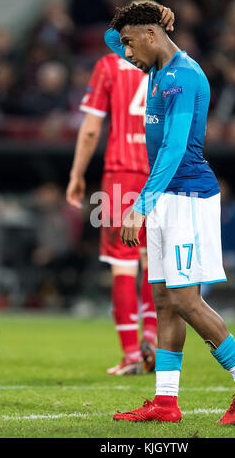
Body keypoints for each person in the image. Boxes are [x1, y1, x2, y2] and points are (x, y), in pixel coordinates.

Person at [104, 2, 235, 424]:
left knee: (183, 298)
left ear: (150, 36)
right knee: (163, 300)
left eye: (130, 43)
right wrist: (151, 15)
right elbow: (115, 35)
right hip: (166, 198)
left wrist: (139, 206)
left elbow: (176, 148)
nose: (124, 52)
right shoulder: (156, 68)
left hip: (188, 198)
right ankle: (165, 402)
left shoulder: (184, 76)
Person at [66, 51, 157, 375]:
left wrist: (77, 173)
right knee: (153, 261)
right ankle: (152, 339)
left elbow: (91, 129)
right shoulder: (168, 62)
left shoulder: (107, 65)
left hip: (122, 175)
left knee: (123, 266)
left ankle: (132, 354)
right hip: (159, 172)